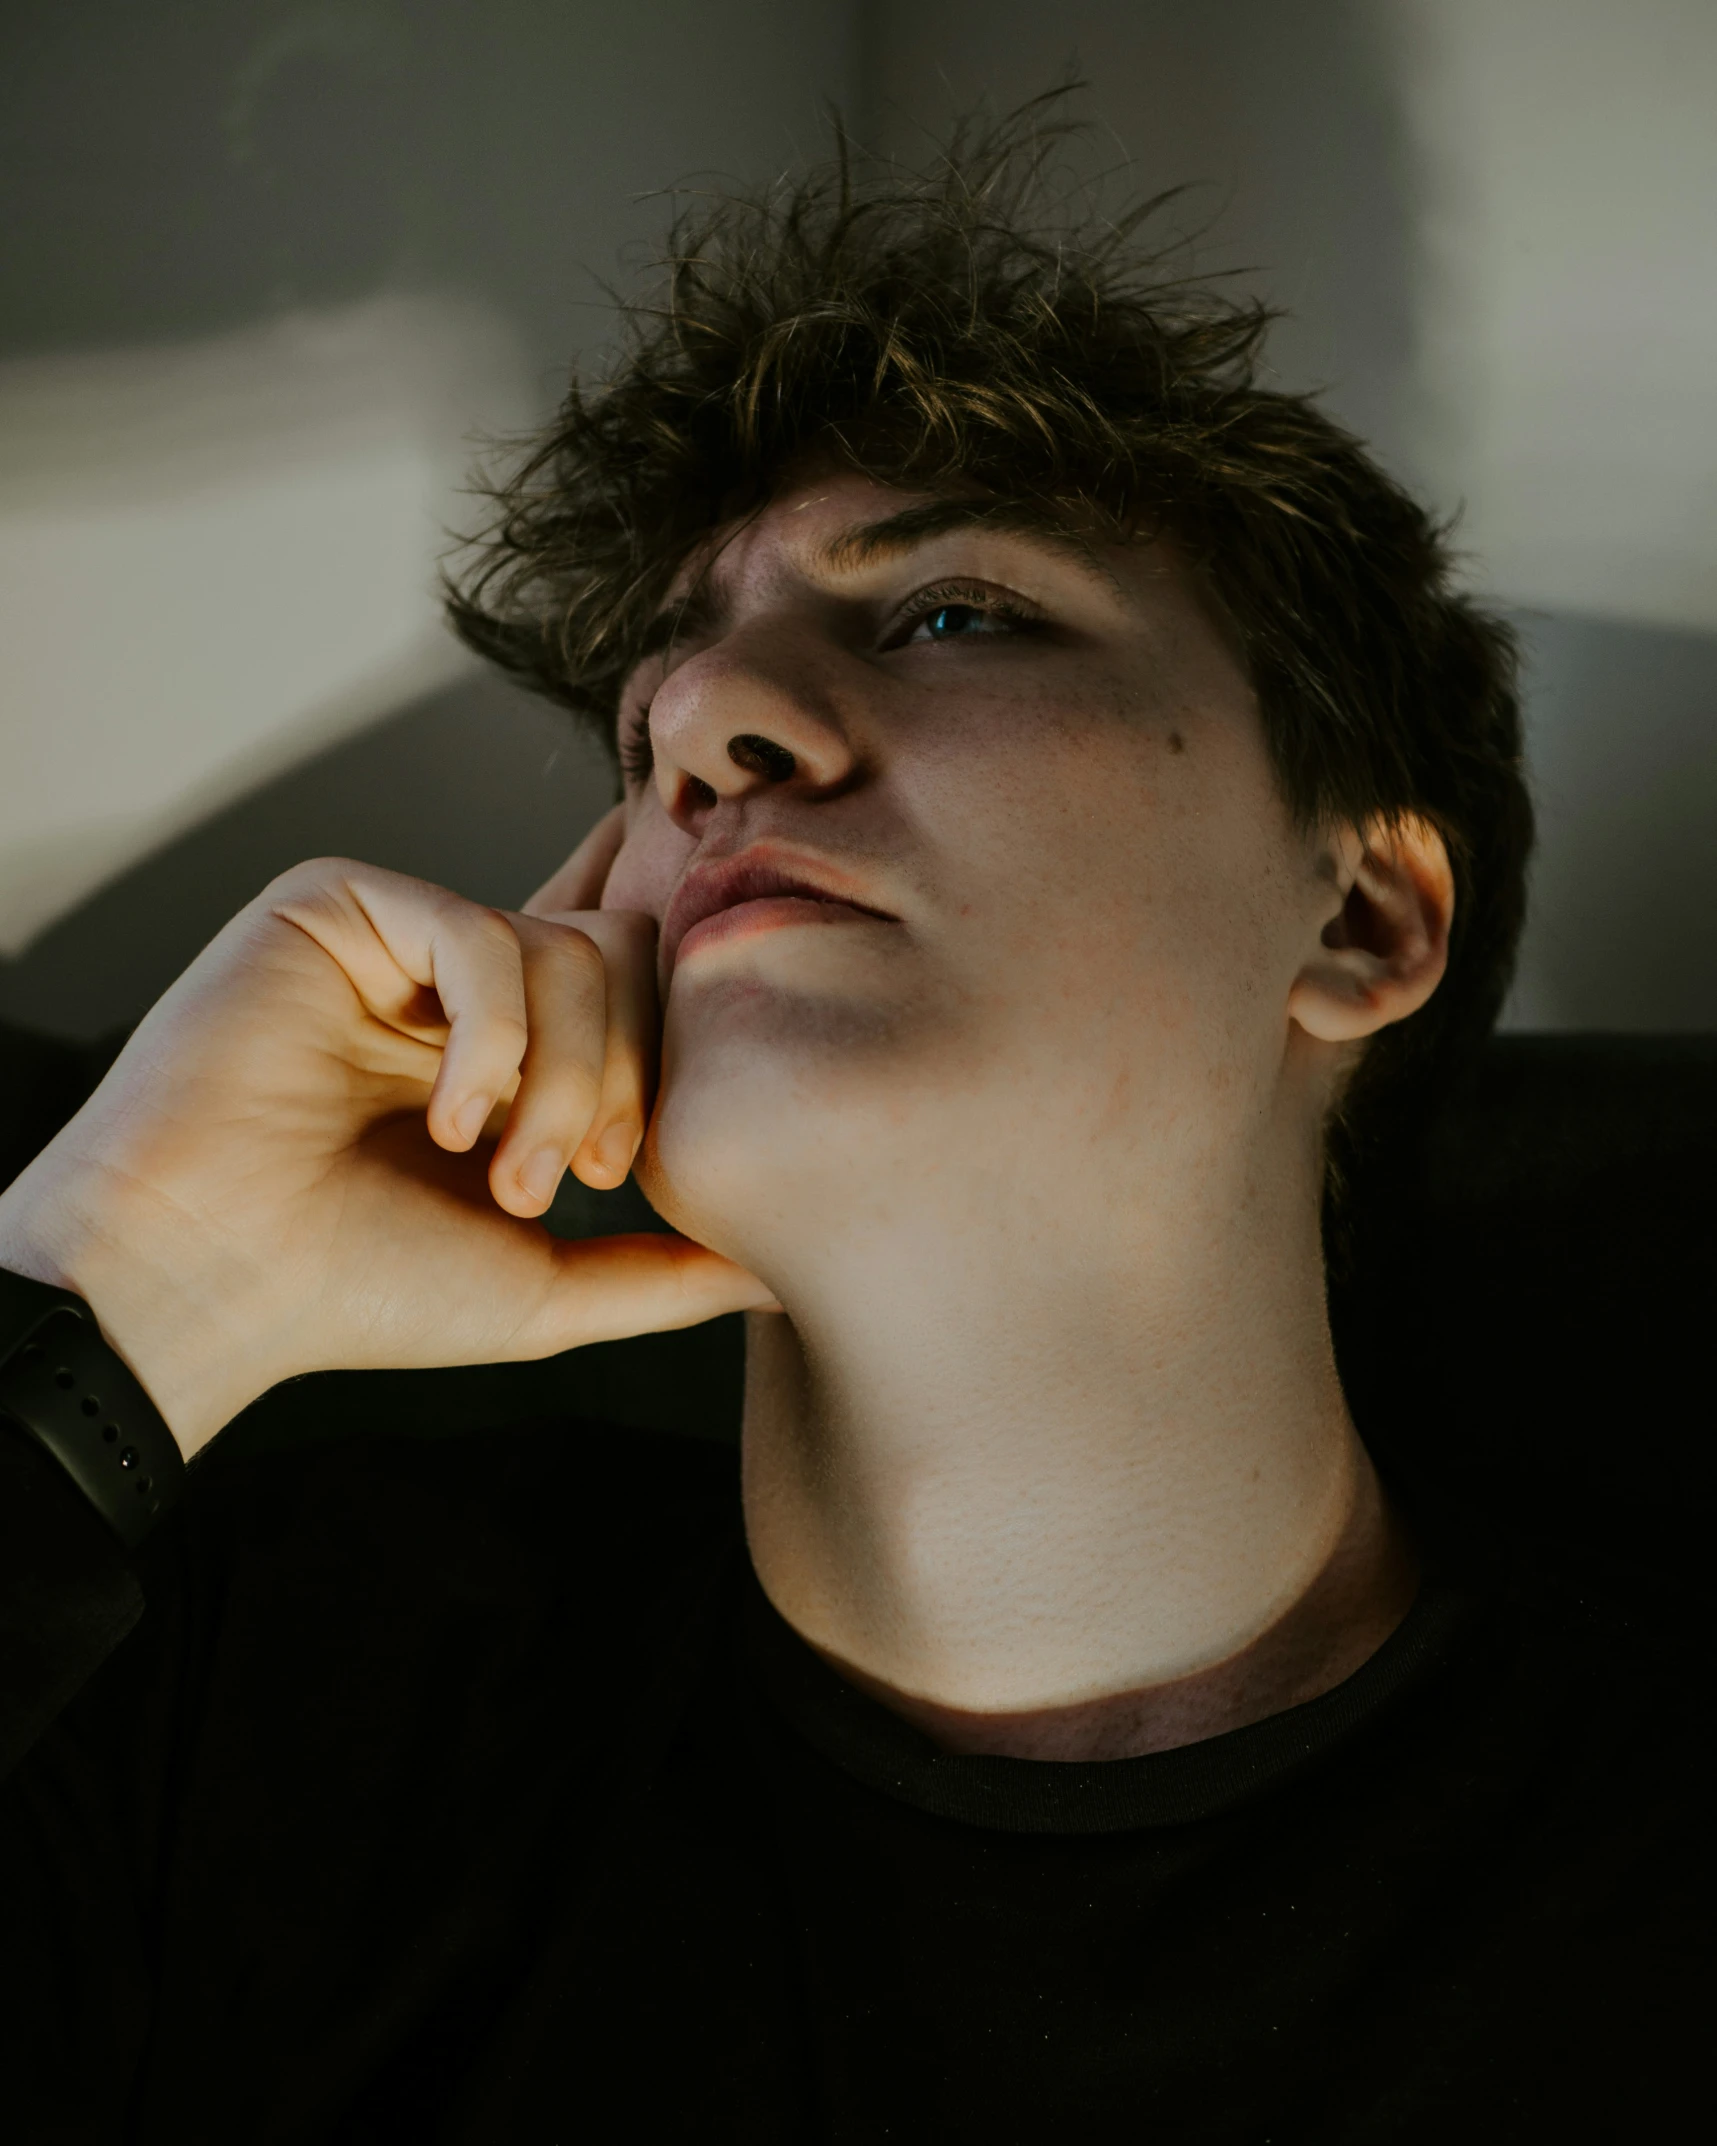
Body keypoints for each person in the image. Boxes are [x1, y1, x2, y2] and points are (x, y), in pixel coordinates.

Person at [0, 112, 1707, 2141]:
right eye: (650, 737)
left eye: (954, 613)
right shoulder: (253, 1716)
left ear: (1355, 914)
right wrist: (129, 1293)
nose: (713, 723)